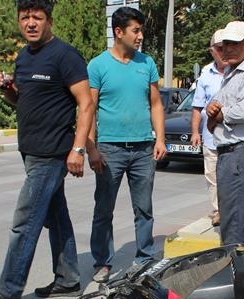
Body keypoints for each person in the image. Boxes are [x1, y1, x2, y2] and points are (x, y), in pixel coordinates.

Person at [0, 0, 94, 299]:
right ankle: (68, 277)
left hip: (52, 153)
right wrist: (6, 89)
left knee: (25, 221)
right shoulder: (23, 57)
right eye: (25, 17)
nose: (30, 23)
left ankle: (9, 290)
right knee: (56, 218)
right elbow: (21, 102)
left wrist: (78, 149)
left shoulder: (65, 56)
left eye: (37, 17)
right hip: (29, 150)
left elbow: (85, 104)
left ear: (49, 21)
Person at [86, 6, 167, 284]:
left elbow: (156, 103)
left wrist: (160, 138)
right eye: (136, 30)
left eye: (141, 30)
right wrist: (91, 147)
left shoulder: (147, 63)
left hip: (144, 148)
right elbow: (88, 109)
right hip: (110, 150)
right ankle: (103, 262)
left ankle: (144, 258)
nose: (141, 35)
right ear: (118, 32)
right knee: (103, 208)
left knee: (143, 207)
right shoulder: (97, 66)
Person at [191, 29, 244, 229]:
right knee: (227, 210)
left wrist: (217, 116)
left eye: (232, 44)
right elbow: (204, 109)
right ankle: (228, 240)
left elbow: (242, 112)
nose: (226, 50)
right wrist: (208, 122)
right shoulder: (216, 73)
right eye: (222, 46)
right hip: (221, 146)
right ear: (213, 51)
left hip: (241, 149)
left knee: (237, 214)